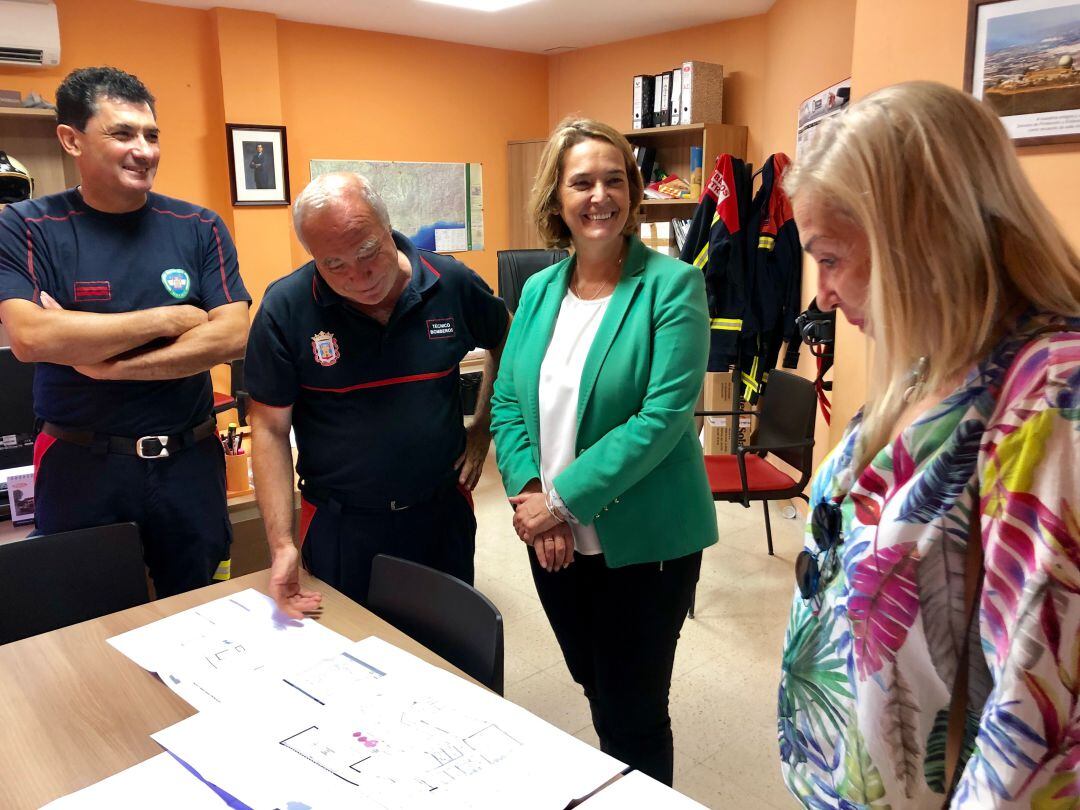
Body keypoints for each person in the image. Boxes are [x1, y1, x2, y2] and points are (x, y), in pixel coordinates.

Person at [777, 81, 1080, 809]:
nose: (822, 295)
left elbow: (1033, 731)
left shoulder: (1051, 398)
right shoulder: (936, 362)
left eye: (831, 257)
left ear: (917, 242)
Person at [490, 117, 718, 786]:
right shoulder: (536, 291)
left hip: (646, 543)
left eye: (614, 180)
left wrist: (559, 503)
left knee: (636, 711)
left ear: (634, 191)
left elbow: (664, 417)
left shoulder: (672, 287)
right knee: (594, 684)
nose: (600, 196)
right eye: (581, 182)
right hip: (552, 537)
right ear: (556, 198)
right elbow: (507, 403)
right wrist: (532, 495)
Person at [0, 67, 251, 597]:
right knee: (86, 614)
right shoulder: (25, 225)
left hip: (190, 463)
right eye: (122, 134)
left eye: (152, 134)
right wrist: (174, 318)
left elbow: (232, 336)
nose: (144, 150)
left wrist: (101, 359)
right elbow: (31, 338)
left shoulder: (199, 226)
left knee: (202, 607)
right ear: (71, 139)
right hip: (81, 466)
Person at [245, 172, 509, 617]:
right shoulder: (286, 308)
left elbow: (508, 342)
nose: (358, 276)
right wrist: (282, 544)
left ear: (389, 228)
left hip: (440, 513)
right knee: (350, 656)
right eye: (334, 264)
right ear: (312, 257)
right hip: (341, 523)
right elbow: (269, 430)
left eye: (368, 252)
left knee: (446, 654)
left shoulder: (451, 282)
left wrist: (483, 427)